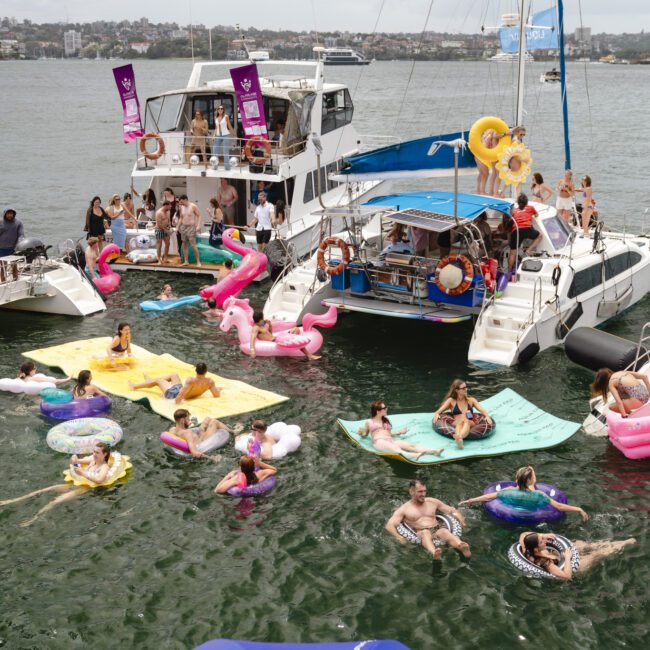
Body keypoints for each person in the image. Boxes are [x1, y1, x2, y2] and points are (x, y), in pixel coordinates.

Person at [0, 443, 114, 527]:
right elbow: (76, 462)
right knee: (45, 489)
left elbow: (99, 480)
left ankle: (33, 519)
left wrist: (83, 473)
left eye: (97, 452)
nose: (94, 454)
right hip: (75, 484)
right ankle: (12, 501)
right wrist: (74, 459)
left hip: (82, 489)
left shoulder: (104, 467)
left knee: (54, 501)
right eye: (94, 451)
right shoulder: (92, 461)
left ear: (104, 454)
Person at [458, 465, 589, 522]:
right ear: (531, 480)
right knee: (532, 488)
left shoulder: (507, 492)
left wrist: (469, 501)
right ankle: (530, 472)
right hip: (532, 505)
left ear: (517, 480)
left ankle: (526, 476)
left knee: (520, 486)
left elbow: (487, 497)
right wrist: (578, 509)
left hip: (514, 501)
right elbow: (560, 507)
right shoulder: (540, 495)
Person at [385, 479, 470, 560]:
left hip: (436, 528)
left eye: (424, 491)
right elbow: (389, 525)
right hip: (420, 531)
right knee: (425, 533)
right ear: (411, 492)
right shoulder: (404, 509)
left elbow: (452, 510)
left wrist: (461, 521)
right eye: (420, 491)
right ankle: (434, 553)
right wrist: (399, 537)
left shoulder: (432, 502)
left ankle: (461, 546)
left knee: (444, 531)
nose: (423, 494)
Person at [519, 531, 635, 580]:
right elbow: (566, 576)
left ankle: (614, 542)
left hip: (558, 556)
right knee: (596, 554)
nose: (545, 540)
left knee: (582, 545)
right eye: (541, 541)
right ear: (536, 547)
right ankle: (624, 543)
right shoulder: (545, 563)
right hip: (575, 568)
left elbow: (523, 534)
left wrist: (544, 534)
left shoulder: (527, 549)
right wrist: (568, 558)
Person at [359, 400, 443, 461]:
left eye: (386, 407)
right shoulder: (369, 422)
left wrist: (399, 432)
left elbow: (389, 434)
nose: (386, 409)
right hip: (378, 441)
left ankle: (434, 451)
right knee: (395, 449)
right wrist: (361, 433)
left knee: (411, 446)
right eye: (384, 408)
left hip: (390, 440)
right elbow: (365, 434)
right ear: (378, 411)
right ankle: (413, 456)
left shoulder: (386, 420)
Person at [433, 380, 493, 449]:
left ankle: (459, 437)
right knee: (460, 422)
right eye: (463, 388)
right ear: (457, 390)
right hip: (457, 422)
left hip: (470, 421)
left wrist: (487, 416)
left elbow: (482, 410)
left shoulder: (471, 400)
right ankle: (460, 442)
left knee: (466, 420)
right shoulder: (451, 401)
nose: (466, 389)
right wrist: (437, 414)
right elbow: (438, 411)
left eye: (466, 387)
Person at [129, 362, 222, 403]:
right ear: (206, 372)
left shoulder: (191, 380)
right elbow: (216, 394)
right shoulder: (210, 381)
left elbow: (180, 397)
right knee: (174, 375)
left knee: (158, 380)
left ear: (196, 370)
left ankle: (135, 386)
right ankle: (150, 381)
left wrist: (171, 404)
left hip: (173, 394)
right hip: (180, 390)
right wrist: (217, 389)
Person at [250, 310, 320, 361]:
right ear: (259, 320)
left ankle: (308, 355)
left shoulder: (261, 325)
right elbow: (252, 338)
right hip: (274, 341)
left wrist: (270, 325)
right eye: (262, 319)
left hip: (276, 338)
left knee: (296, 329)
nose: (263, 320)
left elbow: (270, 334)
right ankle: (309, 355)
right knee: (294, 340)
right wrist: (252, 350)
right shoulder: (256, 328)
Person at [169, 408, 234, 460]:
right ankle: (233, 431)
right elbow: (194, 452)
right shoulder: (188, 434)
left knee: (207, 419)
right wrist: (212, 458)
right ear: (182, 421)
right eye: (188, 419)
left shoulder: (172, 430)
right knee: (214, 422)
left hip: (198, 438)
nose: (190, 422)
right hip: (203, 442)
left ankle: (228, 429)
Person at [507, 193, 542, 275]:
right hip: (527, 229)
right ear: (526, 202)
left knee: (512, 253)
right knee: (540, 236)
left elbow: (511, 219)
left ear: (518, 203)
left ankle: (508, 272)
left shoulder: (514, 211)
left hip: (516, 231)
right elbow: (536, 215)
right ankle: (528, 250)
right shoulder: (530, 208)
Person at [177, 195, 202, 267]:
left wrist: (198, 225)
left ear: (185, 200)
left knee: (193, 244)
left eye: (181, 202)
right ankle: (186, 261)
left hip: (191, 227)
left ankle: (198, 261)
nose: (181, 203)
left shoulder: (193, 206)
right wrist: (177, 227)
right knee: (184, 244)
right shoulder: (181, 207)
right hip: (183, 227)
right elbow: (181, 218)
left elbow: (199, 215)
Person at [213, 105, 236, 170]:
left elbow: (229, 125)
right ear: (217, 110)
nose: (220, 110)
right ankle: (215, 166)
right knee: (215, 150)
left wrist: (234, 134)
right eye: (219, 108)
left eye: (222, 108)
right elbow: (216, 128)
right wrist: (213, 135)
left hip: (225, 134)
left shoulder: (226, 117)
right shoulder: (216, 117)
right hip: (218, 135)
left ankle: (227, 167)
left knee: (225, 151)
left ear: (223, 110)